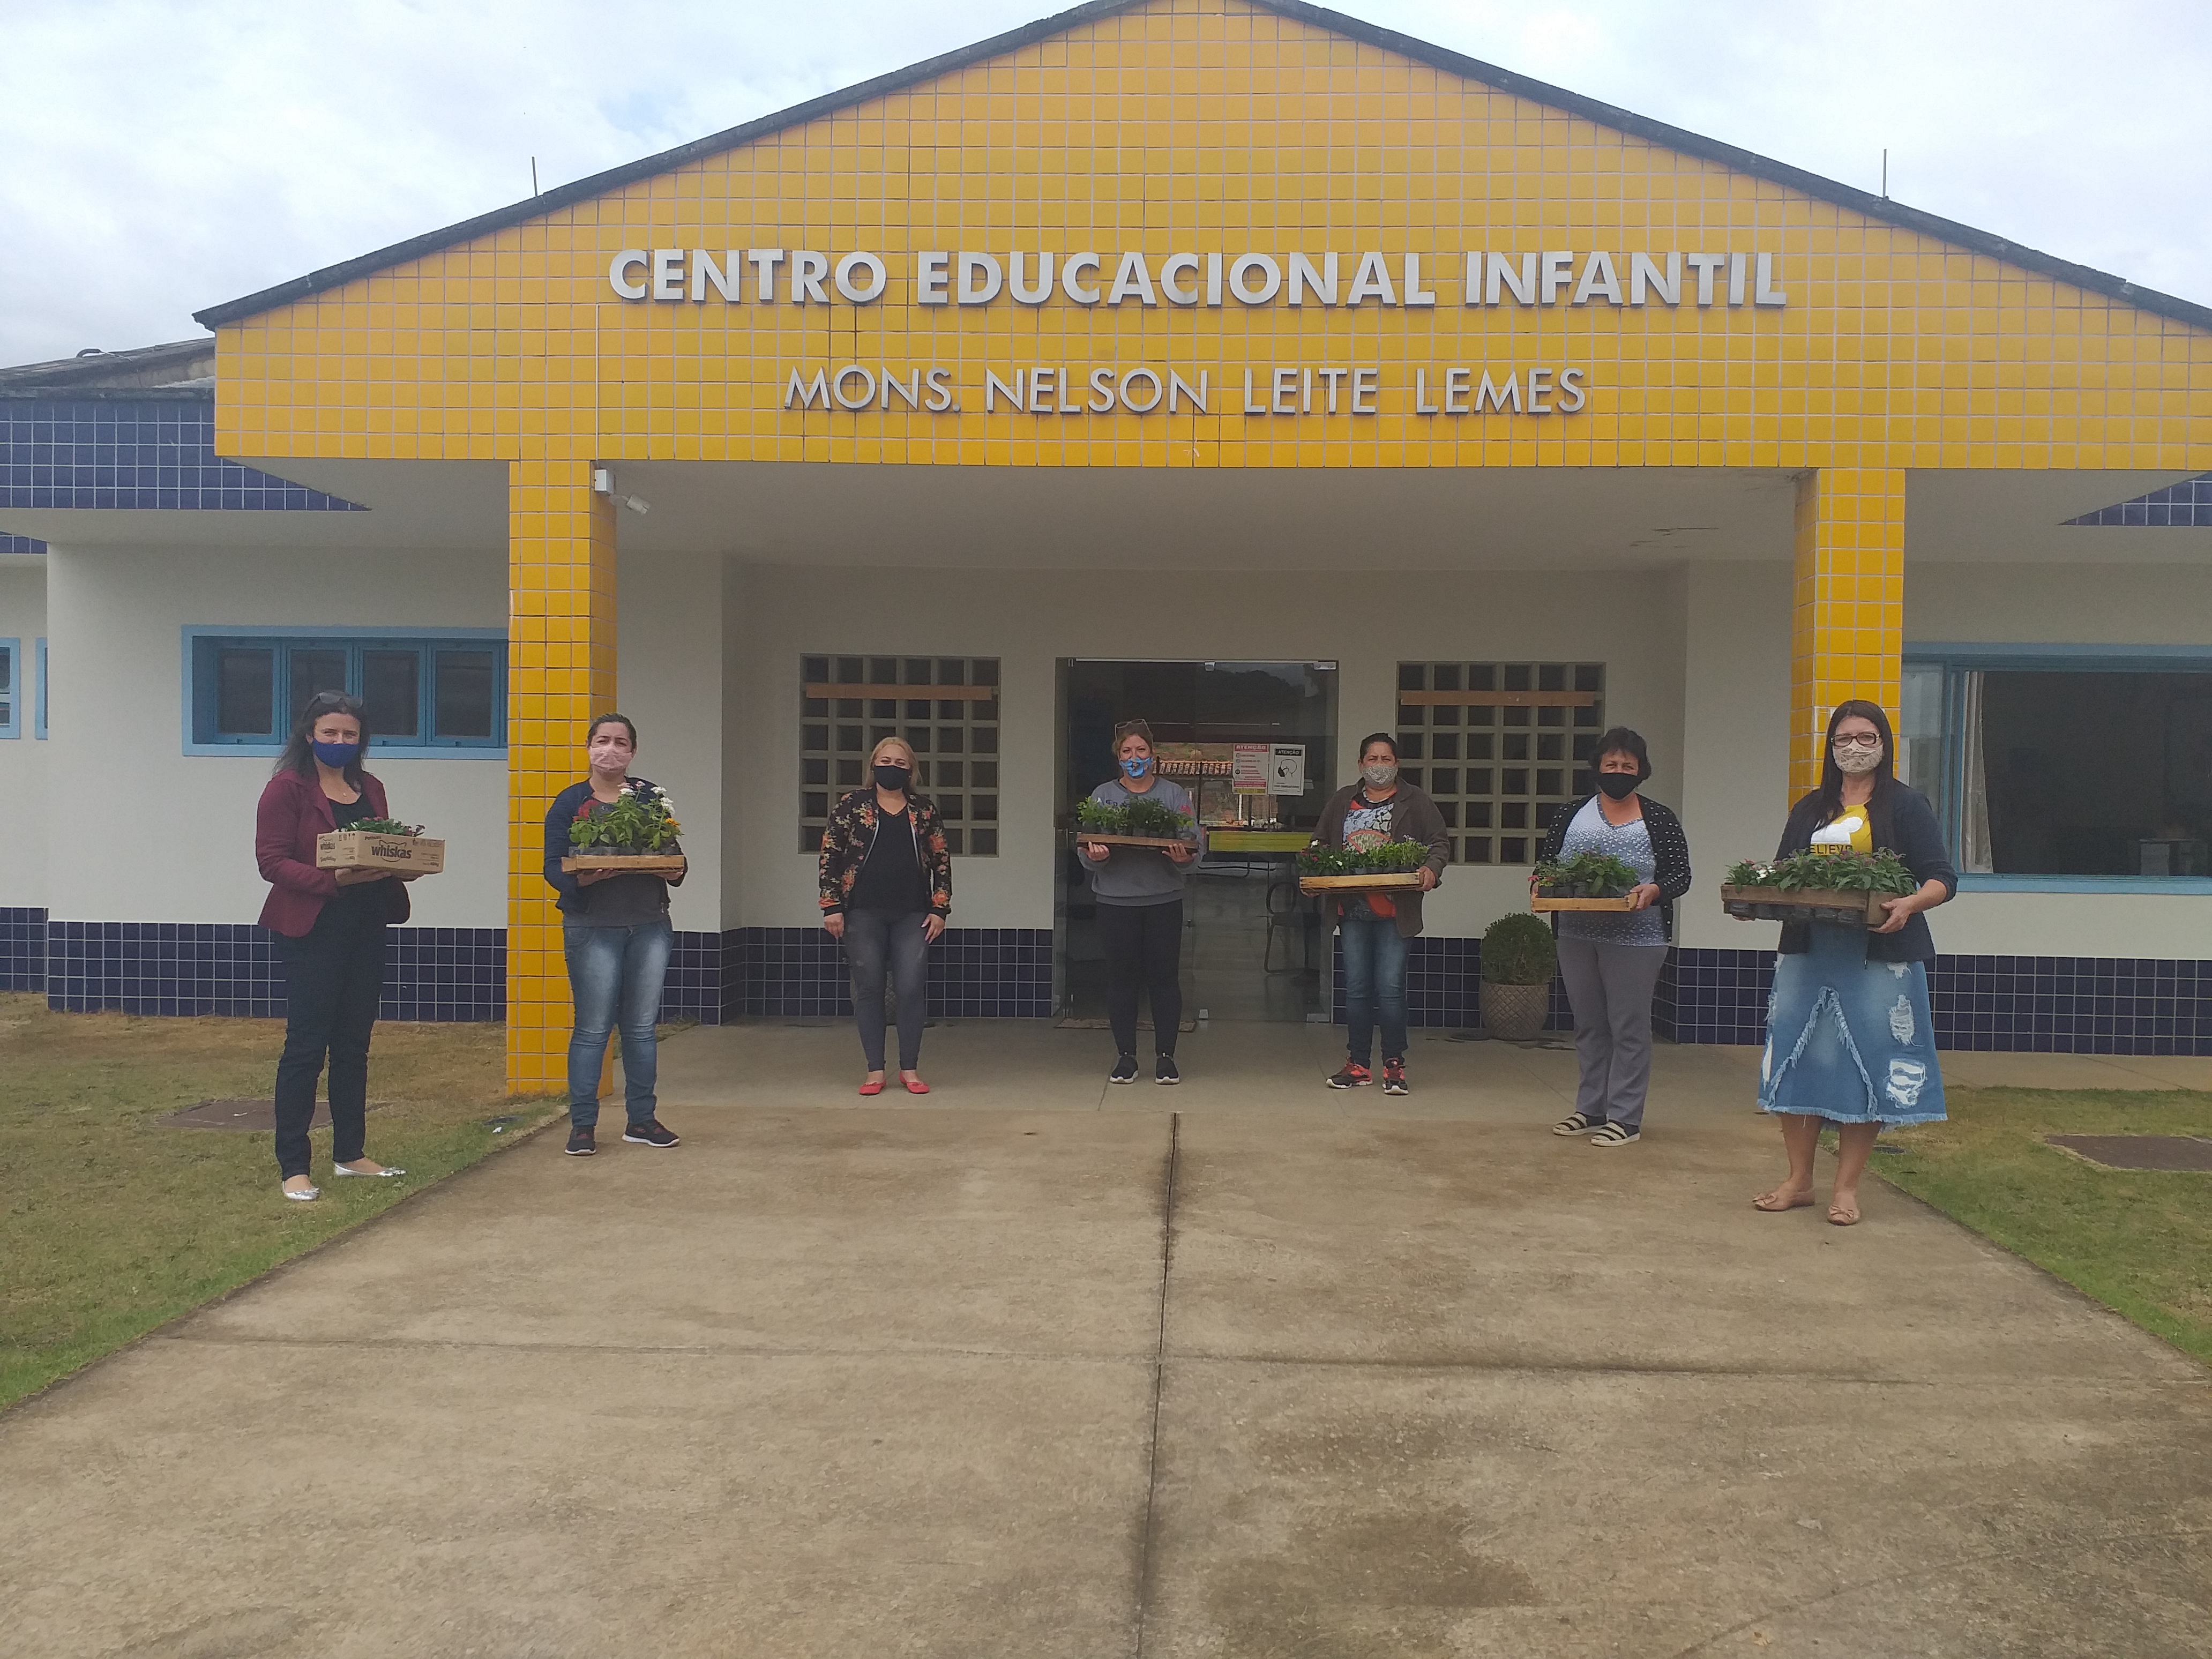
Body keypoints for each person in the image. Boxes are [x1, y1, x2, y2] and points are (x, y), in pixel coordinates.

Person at [1754, 700, 1955, 1225]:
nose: (1855, 747)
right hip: (1808, 954)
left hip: (1878, 957)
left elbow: (1942, 877)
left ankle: (1846, 1189)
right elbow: (1783, 875)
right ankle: (1799, 1180)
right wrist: (1757, 896)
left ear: (1885, 745)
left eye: (1867, 737)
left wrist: (1910, 904)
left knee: (1869, 1060)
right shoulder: (1810, 808)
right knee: (1796, 1060)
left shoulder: (1907, 806)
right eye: (1844, 738)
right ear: (1831, 746)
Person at [253, 692, 416, 1201]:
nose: (341, 742)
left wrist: (401, 862)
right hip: (311, 928)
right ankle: (294, 1166)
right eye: (331, 734)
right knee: (306, 1047)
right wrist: (335, 879)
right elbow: (272, 863)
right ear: (310, 735)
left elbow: (382, 845)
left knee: (354, 1045)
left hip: (367, 925)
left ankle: (350, 1153)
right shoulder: (286, 790)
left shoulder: (371, 787)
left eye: (350, 735)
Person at [1536, 727, 1692, 1146]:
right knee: (1588, 1023)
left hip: (1638, 937)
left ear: (1641, 771)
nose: (1619, 771)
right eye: (1611, 765)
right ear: (1597, 768)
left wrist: (1654, 890)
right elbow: (1547, 864)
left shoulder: (1659, 818)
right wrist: (1540, 884)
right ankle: (1590, 1108)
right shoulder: (1571, 814)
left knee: (1629, 1026)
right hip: (1575, 931)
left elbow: (1681, 875)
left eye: (1628, 765)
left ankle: (1626, 1117)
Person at [542, 713, 686, 1156]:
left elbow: (676, 859)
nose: (611, 749)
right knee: (592, 1028)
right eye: (603, 741)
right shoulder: (569, 803)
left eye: (621, 742)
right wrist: (583, 879)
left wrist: (671, 867)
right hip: (592, 928)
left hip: (649, 925)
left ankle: (642, 1120)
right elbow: (553, 866)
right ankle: (583, 1125)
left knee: (641, 1028)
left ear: (633, 751)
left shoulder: (648, 799)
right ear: (588, 747)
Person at [1311, 733, 1449, 1095]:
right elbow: (1320, 843)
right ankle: (1357, 1064)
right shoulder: (1344, 800)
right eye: (1372, 759)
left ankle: (1394, 1065)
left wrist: (1431, 869)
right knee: (1356, 990)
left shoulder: (1415, 801)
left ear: (1397, 764)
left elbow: (1440, 842)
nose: (1379, 766)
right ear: (1361, 765)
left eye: (1386, 759)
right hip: (1353, 910)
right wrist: (1315, 871)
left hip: (1394, 912)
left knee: (1390, 990)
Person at [818, 736, 952, 1095]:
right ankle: (874, 1071)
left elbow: (941, 861)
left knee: (911, 987)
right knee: (870, 988)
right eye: (885, 760)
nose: (891, 768)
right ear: (873, 765)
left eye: (900, 763)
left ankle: (909, 1068)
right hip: (862, 914)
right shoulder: (851, 806)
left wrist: (940, 908)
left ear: (911, 770)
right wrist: (831, 906)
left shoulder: (923, 811)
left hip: (913, 914)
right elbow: (831, 854)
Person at [1078, 720, 1201, 1084]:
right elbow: (1085, 851)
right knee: (1121, 979)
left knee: (1164, 979)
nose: (1135, 758)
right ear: (1118, 757)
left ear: (1154, 755)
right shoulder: (1103, 796)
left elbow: (1193, 842)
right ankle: (1126, 1057)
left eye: (1141, 751)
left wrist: (1185, 858)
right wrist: (1094, 857)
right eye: (1127, 752)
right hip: (1116, 901)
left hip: (1164, 899)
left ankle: (1166, 1058)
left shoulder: (1174, 795)